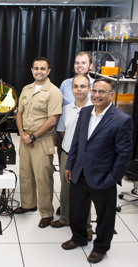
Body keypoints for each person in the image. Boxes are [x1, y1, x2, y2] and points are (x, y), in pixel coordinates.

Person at [61, 78, 133, 264]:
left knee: (105, 216)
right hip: (80, 172)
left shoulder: (121, 120)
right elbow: (77, 141)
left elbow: (123, 155)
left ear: (111, 95)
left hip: (103, 177)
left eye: (102, 92)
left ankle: (101, 247)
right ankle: (78, 238)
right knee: (76, 210)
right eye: (95, 91)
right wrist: (70, 165)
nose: (97, 95)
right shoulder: (85, 112)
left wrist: (113, 178)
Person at [14, 57, 63, 228]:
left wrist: (32, 137)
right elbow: (19, 113)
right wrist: (22, 134)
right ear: (32, 70)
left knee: (43, 178)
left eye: (43, 68)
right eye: (36, 68)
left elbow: (52, 120)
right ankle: (28, 204)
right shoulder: (26, 89)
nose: (39, 71)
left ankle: (47, 213)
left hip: (42, 140)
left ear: (48, 71)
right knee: (25, 174)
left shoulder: (54, 92)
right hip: (25, 139)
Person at [51, 75, 93, 240]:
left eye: (83, 86)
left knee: (84, 192)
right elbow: (62, 131)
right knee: (65, 188)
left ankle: (86, 226)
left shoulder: (95, 110)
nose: (79, 89)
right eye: (76, 86)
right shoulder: (67, 109)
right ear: (72, 89)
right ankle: (65, 218)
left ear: (89, 88)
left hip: (86, 158)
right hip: (67, 154)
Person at [55, 51, 95, 216]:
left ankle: (83, 221)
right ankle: (65, 211)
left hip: (88, 148)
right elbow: (61, 116)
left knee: (84, 185)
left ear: (90, 66)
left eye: (83, 63)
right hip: (67, 140)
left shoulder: (97, 86)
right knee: (66, 180)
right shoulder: (65, 84)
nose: (80, 66)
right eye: (77, 63)